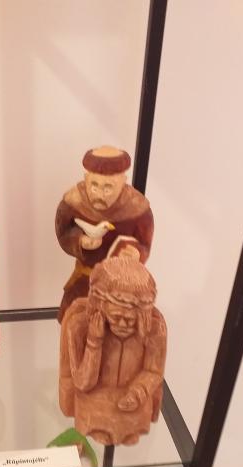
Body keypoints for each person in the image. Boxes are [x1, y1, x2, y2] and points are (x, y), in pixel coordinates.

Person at [59, 256, 167, 446]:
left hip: (134, 403)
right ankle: (101, 429)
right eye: (116, 317)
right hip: (93, 401)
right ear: (101, 307)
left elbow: (153, 371)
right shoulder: (79, 327)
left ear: (142, 316)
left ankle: (127, 430)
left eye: (130, 319)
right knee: (94, 411)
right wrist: (94, 342)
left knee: (134, 421)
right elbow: (83, 383)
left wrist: (138, 392)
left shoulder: (154, 330)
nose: (123, 324)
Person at [55, 145, 153, 322]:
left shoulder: (138, 209)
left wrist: (137, 254)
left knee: (111, 328)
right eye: (94, 186)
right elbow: (63, 232)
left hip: (118, 289)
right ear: (86, 179)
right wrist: (80, 241)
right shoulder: (73, 202)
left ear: (122, 182)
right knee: (75, 323)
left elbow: (145, 244)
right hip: (84, 281)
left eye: (108, 188)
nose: (100, 194)